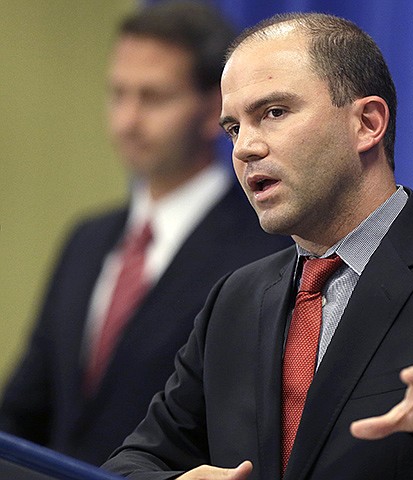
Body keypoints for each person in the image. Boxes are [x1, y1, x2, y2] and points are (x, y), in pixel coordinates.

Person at [102, 12, 413, 480]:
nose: (245, 147)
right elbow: (133, 461)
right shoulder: (235, 299)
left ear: (368, 124)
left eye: (273, 112)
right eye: (234, 127)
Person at [0, 1, 290, 467]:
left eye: (152, 97)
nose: (127, 121)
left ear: (212, 110)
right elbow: (26, 409)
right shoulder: (86, 241)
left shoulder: (267, 249)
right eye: (118, 94)